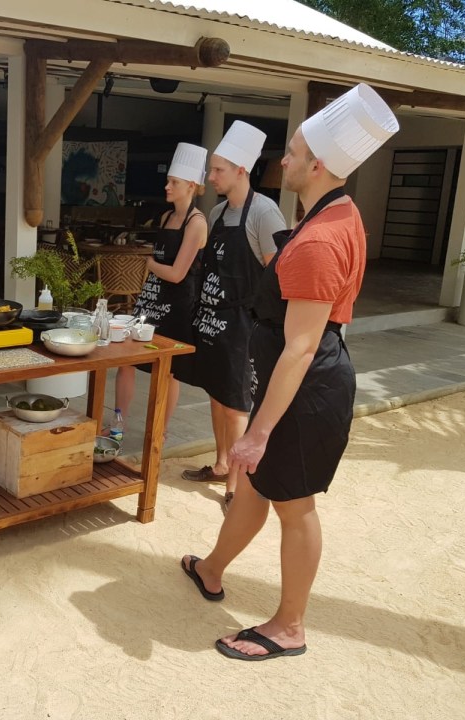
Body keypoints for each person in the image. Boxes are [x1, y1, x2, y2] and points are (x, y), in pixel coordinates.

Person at [181, 84, 399, 661]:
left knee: (294, 505)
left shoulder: (318, 240)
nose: (284, 159)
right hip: (296, 378)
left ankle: (289, 626)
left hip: (307, 387)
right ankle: (211, 568)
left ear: (318, 165)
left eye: (294, 152)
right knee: (253, 482)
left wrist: (255, 431)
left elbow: (300, 348)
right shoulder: (341, 211)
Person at [183, 121, 286, 510]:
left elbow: (278, 275)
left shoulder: (265, 213)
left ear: (241, 170)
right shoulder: (218, 213)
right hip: (214, 319)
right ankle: (221, 463)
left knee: (236, 403)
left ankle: (235, 487)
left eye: (218, 170)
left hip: (244, 324)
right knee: (216, 395)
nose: (210, 178)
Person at [113, 143, 208, 438]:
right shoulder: (167, 218)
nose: (167, 186)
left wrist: (147, 261)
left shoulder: (197, 223)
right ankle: (117, 424)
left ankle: (160, 430)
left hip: (177, 307)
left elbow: (178, 274)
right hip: (151, 299)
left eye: (174, 182)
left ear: (190, 186)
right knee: (126, 362)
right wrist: (150, 264)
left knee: (168, 372)